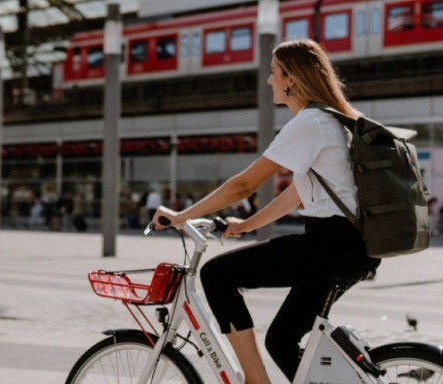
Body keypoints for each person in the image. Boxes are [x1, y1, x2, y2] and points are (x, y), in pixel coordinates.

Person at [151, 39, 378, 383]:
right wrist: (248, 224)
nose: (269, 80)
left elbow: (244, 186)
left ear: (292, 79)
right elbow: (300, 194)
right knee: (282, 341)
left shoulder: (310, 123)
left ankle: (256, 381)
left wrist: (180, 216)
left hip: (331, 245)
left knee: (217, 275)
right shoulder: (332, 121)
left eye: (274, 73)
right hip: (349, 246)